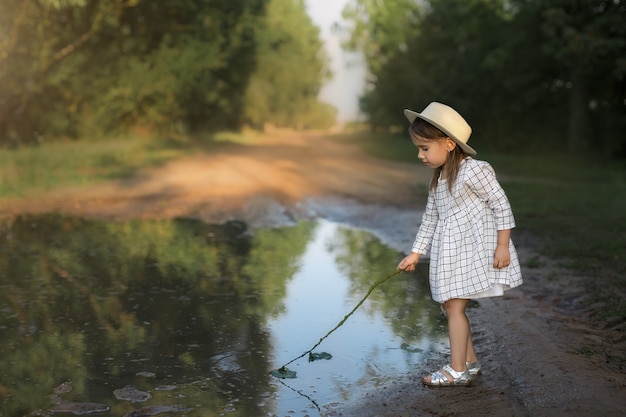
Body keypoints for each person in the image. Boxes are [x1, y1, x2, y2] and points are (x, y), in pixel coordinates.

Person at [396, 102, 522, 387]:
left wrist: (503, 245)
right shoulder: (439, 179)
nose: (420, 155)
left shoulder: (473, 171)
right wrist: (416, 253)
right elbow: (430, 219)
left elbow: (501, 204)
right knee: (448, 305)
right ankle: (469, 363)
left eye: (425, 148)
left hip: (472, 250)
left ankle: (456, 370)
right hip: (449, 252)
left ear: (450, 144)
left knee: (453, 307)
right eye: (418, 148)